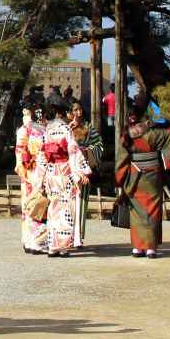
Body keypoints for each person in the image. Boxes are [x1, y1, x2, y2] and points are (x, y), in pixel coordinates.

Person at [117, 108, 170, 258]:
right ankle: (150, 248)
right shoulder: (154, 133)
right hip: (152, 177)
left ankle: (137, 248)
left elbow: (121, 160)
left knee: (137, 212)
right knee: (152, 211)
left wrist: (120, 179)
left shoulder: (125, 136)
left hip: (134, 177)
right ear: (143, 119)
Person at [39, 107, 92, 257]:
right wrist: (80, 172)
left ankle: (51, 245)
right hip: (64, 171)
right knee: (66, 208)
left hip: (51, 171)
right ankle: (62, 247)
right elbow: (73, 151)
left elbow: (42, 154)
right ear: (61, 114)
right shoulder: (64, 128)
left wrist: (40, 177)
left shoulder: (47, 129)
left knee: (52, 208)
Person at [67, 103, 103, 248]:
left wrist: (87, 150)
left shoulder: (88, 126)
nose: (78, 112)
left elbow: (99, 144)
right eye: (75, 110)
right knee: (67, 204)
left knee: (81, 202)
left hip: (83, 167)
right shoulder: (66, 127)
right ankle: (67, 235)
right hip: (69, 168)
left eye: (80, 109)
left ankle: (78, 237)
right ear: (70, 112)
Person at [15, 106, 48, 254]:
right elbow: (23, 152)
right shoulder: (32, 130)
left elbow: (20, 151)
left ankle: (28, 240)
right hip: (34, 170)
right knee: (36, 205)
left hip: (30, 170)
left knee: (30, 205)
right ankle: (35, 241)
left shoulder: (27, 129)